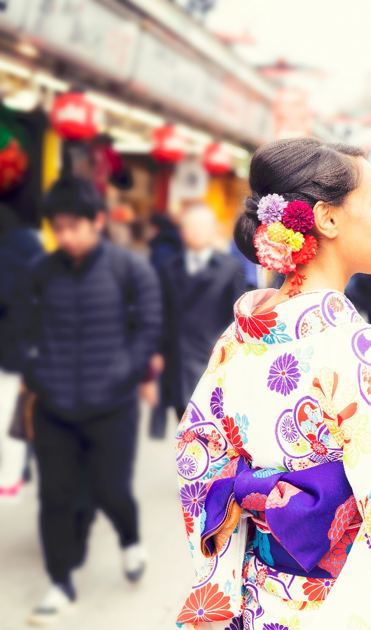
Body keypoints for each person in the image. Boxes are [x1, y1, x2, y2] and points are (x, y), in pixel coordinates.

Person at [175, 138, 371, 630]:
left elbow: (198, 462)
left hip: (261, 592)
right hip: (342, 603)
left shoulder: (236, 340)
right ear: (326, 219)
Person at [14, 176, 162, 625]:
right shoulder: (40, 271)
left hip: (111, 407)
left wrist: (125, 371)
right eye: (58, 228)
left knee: (111, 490)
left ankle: (130, 538)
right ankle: (60, 582)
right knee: (55, 499)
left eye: (74, 226)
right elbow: (21, 328)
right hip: (55, 408)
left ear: (97, 221)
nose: (66, 237)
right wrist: (37, 371)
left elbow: (150, 324)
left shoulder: (128, 268)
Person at [150, 206, 249, 438]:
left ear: (214, 231)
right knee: (183, 430)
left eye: (201, 227)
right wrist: (155, 351)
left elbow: (236, 316)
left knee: (210, 432)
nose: (195, 233)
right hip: (176, 361)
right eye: (189, 227)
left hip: (212, 360)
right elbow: (159, 312)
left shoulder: (230, 268)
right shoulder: (169, 267)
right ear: (181, 232)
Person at [0, 205, 44, 502]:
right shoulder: (34, 248)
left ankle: (10, 480)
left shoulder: (5, 255)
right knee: (17, 412)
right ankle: (17, 473)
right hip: (27, 347)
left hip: (8, 347)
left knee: (7, 415)